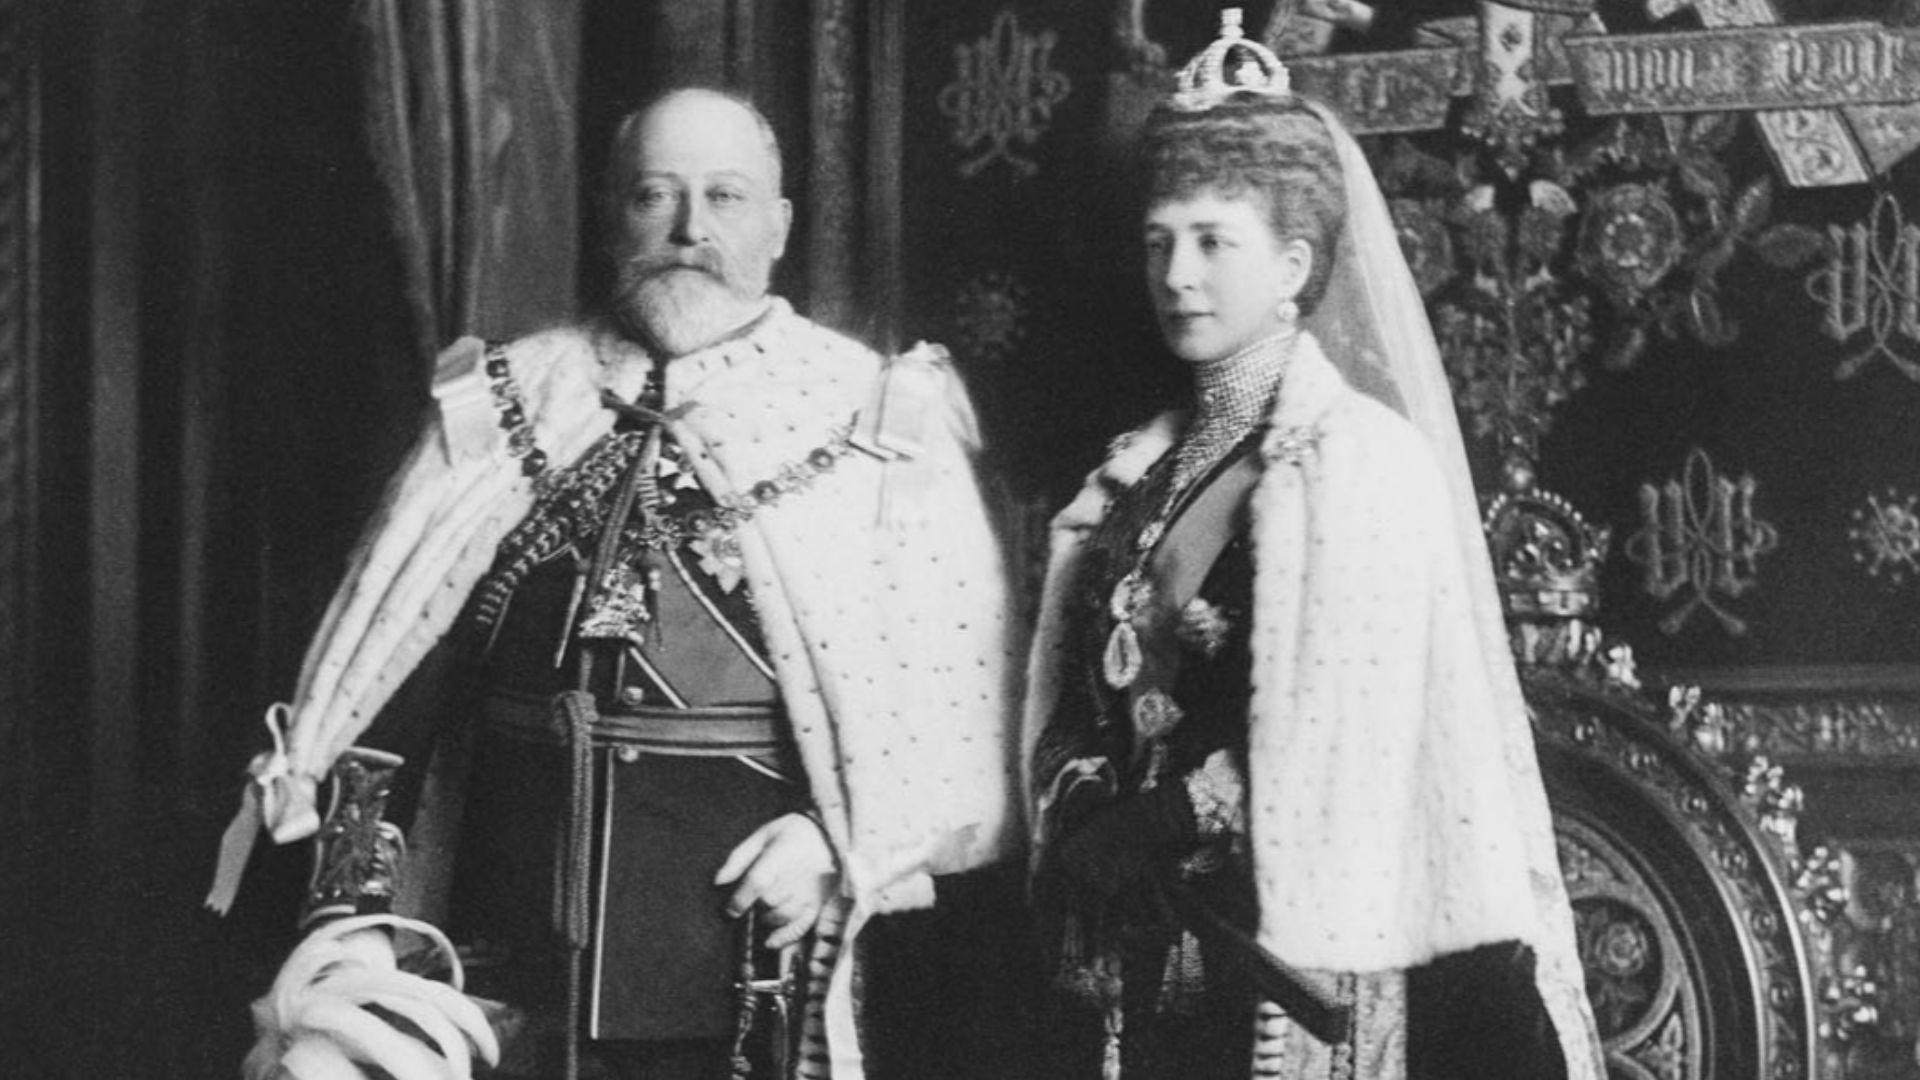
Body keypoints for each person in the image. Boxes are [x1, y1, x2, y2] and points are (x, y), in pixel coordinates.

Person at [209, 87, 1020, 1080]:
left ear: (779, 227)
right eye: (655, 196)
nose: (690, 230)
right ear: (610, 217)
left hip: (738, 971)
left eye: (725, 197)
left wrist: (840, 849)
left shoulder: (877, 421)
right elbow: (387, 697)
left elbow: (944, 724)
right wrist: (355, 923)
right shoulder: (511, 399)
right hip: (499, 971)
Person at [1022, 12, 1605, 1080]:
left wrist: (1169, 815)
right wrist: (1087, 806)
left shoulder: (1360, 462)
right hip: (1139, 939)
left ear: (1293, 263)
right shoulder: (1135, 472)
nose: (1177, 274)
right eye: (1159, 243)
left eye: (1211, 241)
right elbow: (1081, 688)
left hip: (1299, 940)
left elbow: (1359, 723)